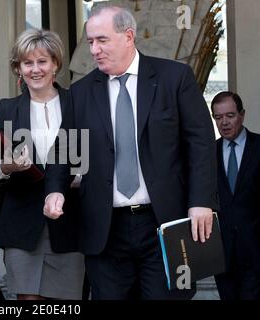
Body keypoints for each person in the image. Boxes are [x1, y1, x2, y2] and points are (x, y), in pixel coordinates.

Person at [43, 5, 218, 299]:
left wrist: (201, 201)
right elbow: (64, 148)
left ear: (128, 36)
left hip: (165, 223)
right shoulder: (81, 92)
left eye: (102, 40)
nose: (95, 50)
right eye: (90, 42)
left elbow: (200, 143)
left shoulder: (175, 78)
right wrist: (54, 190)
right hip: (105, 229)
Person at [0, 29, 85, 300]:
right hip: (21, 224)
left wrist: (77, 177)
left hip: (70, 222)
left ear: (55, 63)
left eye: (42, 61)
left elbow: (91, 159)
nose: (35, 69)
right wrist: (6, 167)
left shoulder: (77, 102)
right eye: (27, 63)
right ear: (18, 68)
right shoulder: (7, 108)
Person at [211, 91, 260, 300]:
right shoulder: (208, 154)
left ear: (242, 115)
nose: (224, 123)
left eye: (230, 116)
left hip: (256, 250)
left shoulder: (259, 147)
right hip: (222, 254)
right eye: (218, 117)